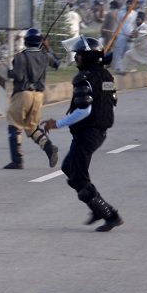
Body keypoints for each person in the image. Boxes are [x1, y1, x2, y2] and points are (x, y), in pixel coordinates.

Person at [41, 36, 123, 232]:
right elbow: (109, 103)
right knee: (69, 167)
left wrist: (56, 123)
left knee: (78, 177)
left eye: (79, 54)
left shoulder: (83, 78)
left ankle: (110, 215)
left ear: (89, 56)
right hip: (98, 131)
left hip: (88, 133)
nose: (76, 57)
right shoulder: (106, 77)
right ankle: (95, 206)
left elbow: (84, 110)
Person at [2, 28, 60, 170]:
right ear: (40, 42)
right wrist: (47, 47)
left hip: (22, 94)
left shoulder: (21, 56)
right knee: (32, 127)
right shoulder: (45, 56)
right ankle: (49, 147)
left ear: (26, 41)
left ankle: (17, 160)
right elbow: (57, 62)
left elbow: (18, 76)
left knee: (14, 126)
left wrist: (5, 71)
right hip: (38, 96)